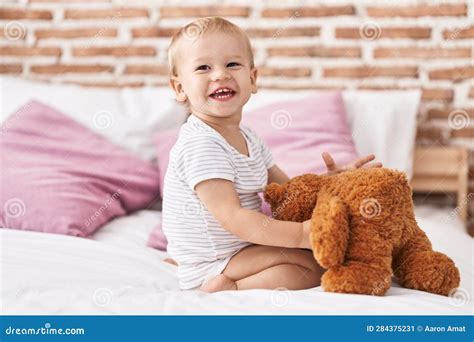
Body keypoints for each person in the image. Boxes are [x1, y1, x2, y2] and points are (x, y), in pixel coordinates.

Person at [162, 17, 381, 292]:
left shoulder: (249, 138)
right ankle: (228, 288)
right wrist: (301, 234)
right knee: (309, 267)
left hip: (239, 247)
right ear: (180, 88)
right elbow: (233, 217)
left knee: (316, 257)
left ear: (252, 79)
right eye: (203, 67)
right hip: (212, 260)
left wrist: (329, 183)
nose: (220, 74)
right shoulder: (202, 144)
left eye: (232, 64)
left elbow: (286, 192)